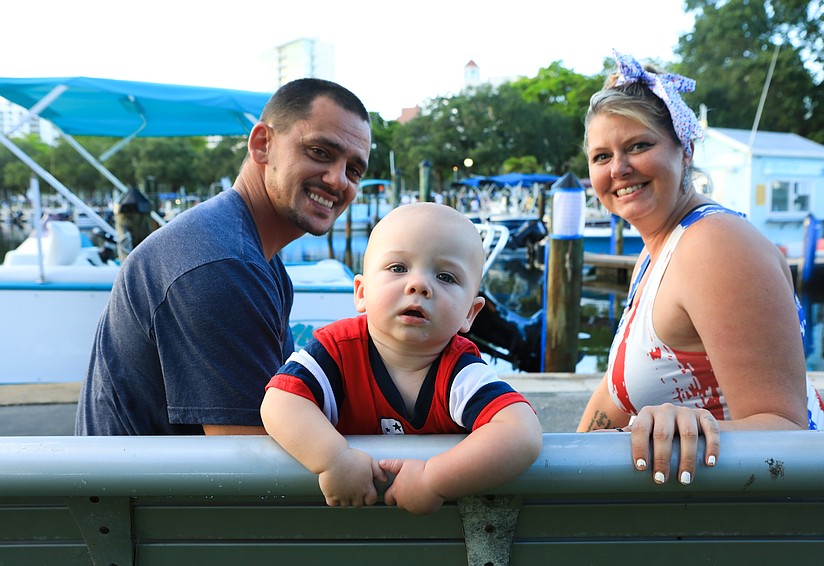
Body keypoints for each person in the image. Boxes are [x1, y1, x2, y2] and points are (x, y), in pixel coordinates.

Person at [577, 50, 824, 485]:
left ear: (686, 150)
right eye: (601, 156)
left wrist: (688, 426)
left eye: (639, 146)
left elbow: (787, 433)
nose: (619, 168)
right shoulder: (656, 249)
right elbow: (611, 395)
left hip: (768, 522)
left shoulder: (717, 245)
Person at [75, 78, 372, 435]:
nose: (338, 180)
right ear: (262, 145)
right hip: (142, 490)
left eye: (354, 170)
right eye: (320, 152)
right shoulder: (222, 263)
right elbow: (247, 465)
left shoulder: (252, 254)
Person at [261, 202, 542, 515]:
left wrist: (434, 479)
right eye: (398, 268)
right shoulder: (337, 351)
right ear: (361, 293)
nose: (418, 285)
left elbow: (522, 433)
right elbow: (279, 401)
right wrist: (333, 458)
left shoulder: (459, 371)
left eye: (446, 277)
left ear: (469, 314)